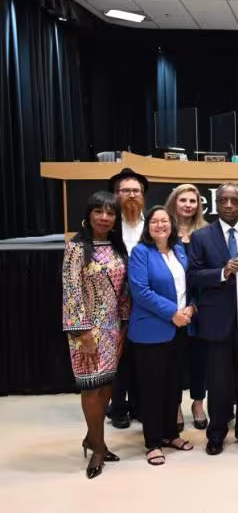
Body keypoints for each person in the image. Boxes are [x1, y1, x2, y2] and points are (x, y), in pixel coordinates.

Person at [188, 183, 238, 455]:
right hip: (217, 323)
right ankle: (217, 433)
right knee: (219, 384)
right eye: (224, 201)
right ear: (216, 204)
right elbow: (194, 276)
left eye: (235, 201)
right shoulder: (201, 237)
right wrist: (222, 272)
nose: (230, 206)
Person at [62, 191, 130, 479]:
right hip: (86, 330)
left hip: (113, 327)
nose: (104, 217)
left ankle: (93, 438)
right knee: (90, 387)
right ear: (89, 214)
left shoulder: (116, 247)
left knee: (106, 386)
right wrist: (83, 332)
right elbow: (71, 291)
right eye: (98, 212)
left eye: (110, 213)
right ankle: (98, 448)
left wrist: (124, 324)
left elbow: (124, 289)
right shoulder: (76, 248)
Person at [128, 206, 196, 466]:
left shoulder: (179, 251)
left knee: (172, 386)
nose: (160, 225)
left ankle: (170, 434)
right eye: (154, 221)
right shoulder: (140, 253)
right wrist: (172, 313)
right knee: (152, 389)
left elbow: (188, 285)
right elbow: (141, 291)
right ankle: (153, 442)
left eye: (164, 221)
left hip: (180, 330)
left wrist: (191, 307)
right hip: (151, 332)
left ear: (172, 225)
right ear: (148, 227)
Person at [106, 167, 148, 429]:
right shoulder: (108, 226)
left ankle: (141, 404)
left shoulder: (153, 223)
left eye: (136, 191)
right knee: (119, 355)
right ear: (115, 195)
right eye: (125, 191)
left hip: (145, 300)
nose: (131, 195)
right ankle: (118, 406)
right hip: (115, 301)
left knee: (143, 355)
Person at [164, 184, 208, 431]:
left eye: (193, 201)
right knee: (175, 360)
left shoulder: (204, 232)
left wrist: (195, 305)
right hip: (172, 306)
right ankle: (176, 406)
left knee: (199, 359)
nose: (188, 205)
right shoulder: (162, 231)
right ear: (174, 202)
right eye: (183, 200)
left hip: (199, 306)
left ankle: (198, 404)